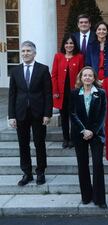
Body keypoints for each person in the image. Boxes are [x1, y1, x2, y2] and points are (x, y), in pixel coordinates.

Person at [8, 41, 52, 186]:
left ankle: (40, 172)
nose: (25, 53)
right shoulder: (15, 71)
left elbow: (48, 93)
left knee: (39, 143)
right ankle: (27, 173)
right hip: (20, 113)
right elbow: (12, 95)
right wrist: (11, 116)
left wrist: (47, 114)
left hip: (38, 113)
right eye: (23, 51)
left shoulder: (43, 69)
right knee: (23, 144)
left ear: (34, 53)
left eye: (28, 51)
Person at [70, 66, 107, 209]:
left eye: (90, 75)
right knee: (82, 165)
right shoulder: (74, 94)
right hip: (80, 134)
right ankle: (86, 196)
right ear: (80, 77)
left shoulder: (101, 93)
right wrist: (83, 130)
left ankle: (100, 199)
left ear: (94, 78)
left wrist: (92, 130)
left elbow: (102, 114)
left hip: (96, 134)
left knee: (98, 165)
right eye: (84, 75)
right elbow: (72, 114)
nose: (87, 78)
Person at [51, 33, 84, 149]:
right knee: (64, 117)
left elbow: (82, 75)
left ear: (74, 45)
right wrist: (55, 90)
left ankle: (74, 138)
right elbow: (54, 75)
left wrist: (81, 90)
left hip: (74, 92)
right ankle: (66, 139)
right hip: (61, 93)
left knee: (74, 117)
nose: (69, 45)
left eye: (71, 43)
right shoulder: (58, 56)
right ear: (63, 45)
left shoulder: (79, 57)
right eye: (67, 43)